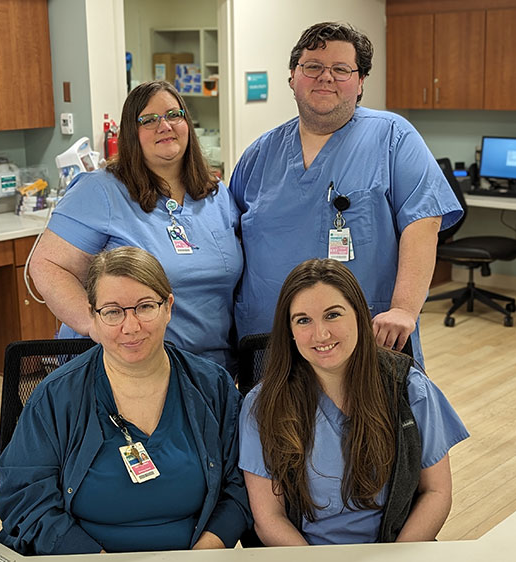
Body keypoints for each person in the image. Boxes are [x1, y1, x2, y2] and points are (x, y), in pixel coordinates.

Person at [229, 22, 464, 366]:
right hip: (270, 342)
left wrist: (403, 309)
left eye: (341, 69)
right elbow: (228, 238)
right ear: (293, 76)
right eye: (313, 67)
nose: (326, 77)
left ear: (360, 82)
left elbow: (423, 223)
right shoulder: (258, 155)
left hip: (364, 340)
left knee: (366, 420)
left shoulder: (393, 138)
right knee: (271, 421)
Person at [0, 246, 251, 555]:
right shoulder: (56, 395)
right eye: (113, 312)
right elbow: (23, 496)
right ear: (93, 316)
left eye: (144, 307)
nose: (130, 327)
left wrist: (206, 551)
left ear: (168, 307)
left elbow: (242, 484)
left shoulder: (213, 388)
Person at [239, 258, 469, 545]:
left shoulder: (409, 388)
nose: (320, 334)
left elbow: (436, 493)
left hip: (397, 551)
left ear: (359, 316)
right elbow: (269, 519)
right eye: (303, 320)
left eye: (333, 315)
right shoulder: (262, 405)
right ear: (290, 331)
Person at [30, 80, 242, 373]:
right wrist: (94, 325)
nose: (164, 126)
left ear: (187, 125)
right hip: (124, 370)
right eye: (149, 120)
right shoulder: (100, 191)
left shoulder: (216, 194)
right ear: (131, 134)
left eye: (173, 115)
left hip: (208, 370)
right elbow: (47, 265)